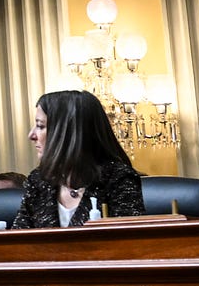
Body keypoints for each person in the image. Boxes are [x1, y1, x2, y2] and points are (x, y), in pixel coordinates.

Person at [12, 90, 145, 228]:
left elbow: (130, 243)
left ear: (66, 132)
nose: (31, 135)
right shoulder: (38, 180)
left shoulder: (119, 179)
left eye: (40, 126)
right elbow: (17, 241)